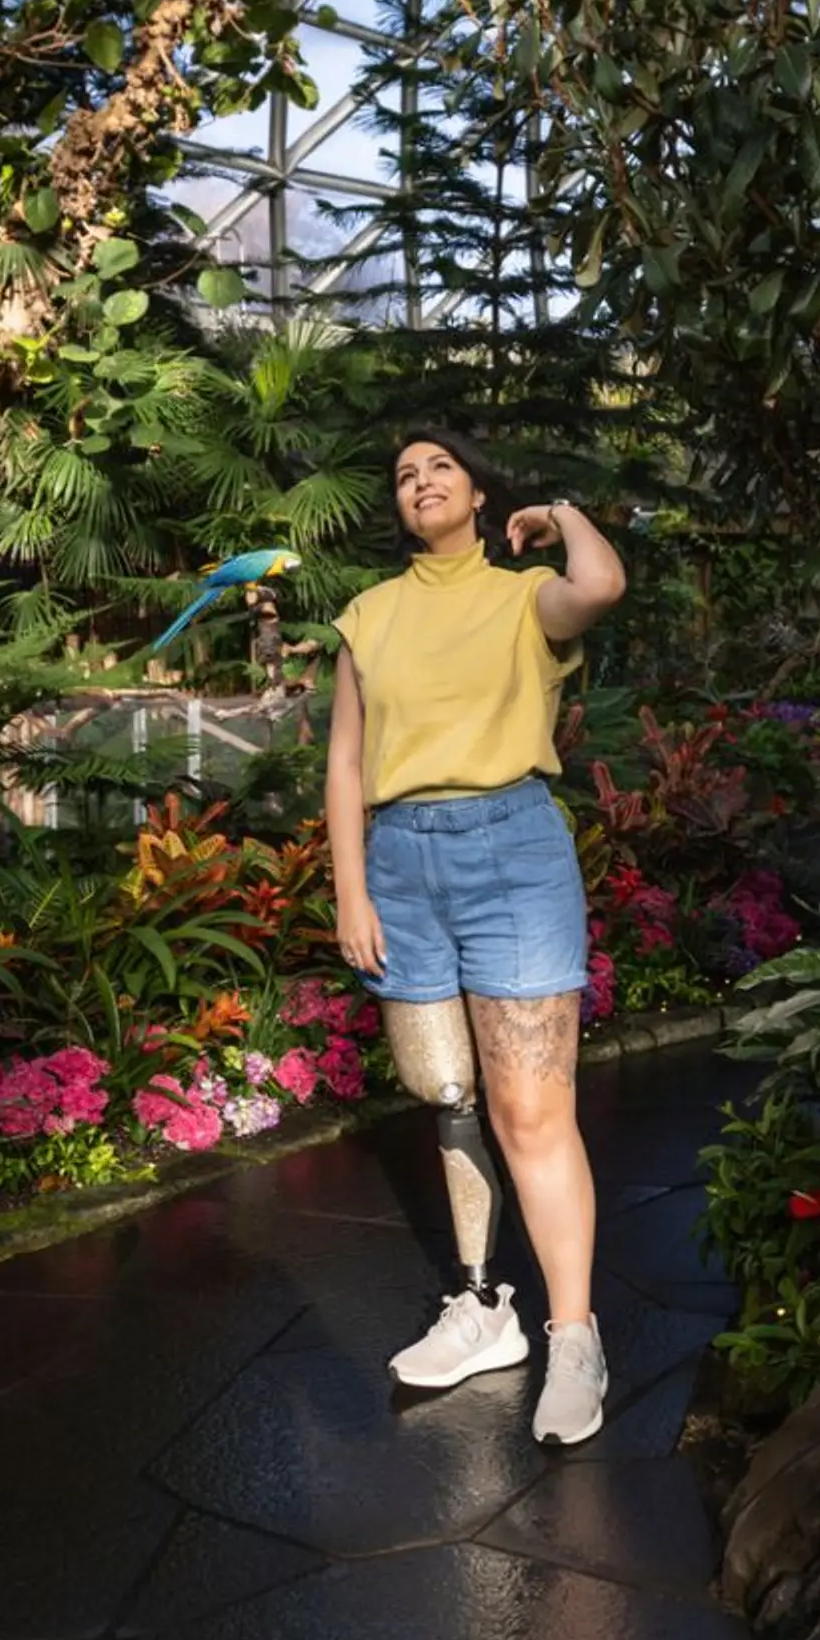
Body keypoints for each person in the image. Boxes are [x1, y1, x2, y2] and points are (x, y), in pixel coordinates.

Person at [326, 428, 626, 1443]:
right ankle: (483, 1306)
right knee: (447, 1097)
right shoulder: (367, 617)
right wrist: (350, 890)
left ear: (480, 491)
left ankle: (574, 1334)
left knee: (531, 1108)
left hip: (512, 849)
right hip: (403, 865)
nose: (420, 481)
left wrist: (560, 515)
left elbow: (602, 584)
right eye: (404, 472)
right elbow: (345, 763)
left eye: (439, 467)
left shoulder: (523, 597)